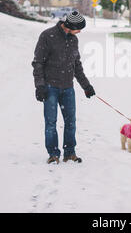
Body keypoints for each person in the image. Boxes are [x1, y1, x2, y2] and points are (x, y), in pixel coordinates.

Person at [32, 11, 95, 164]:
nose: (79, 32)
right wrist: (40, 86)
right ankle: (53, 154)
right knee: (51, 123)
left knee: (71, 122)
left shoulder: (73, 40)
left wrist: (86, 86)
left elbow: (76, 66)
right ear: (69, 26)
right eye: (78, 28)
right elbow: (38, 63)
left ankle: (69, 152)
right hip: (50, 87)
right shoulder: (47, 36)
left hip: (68, 88)